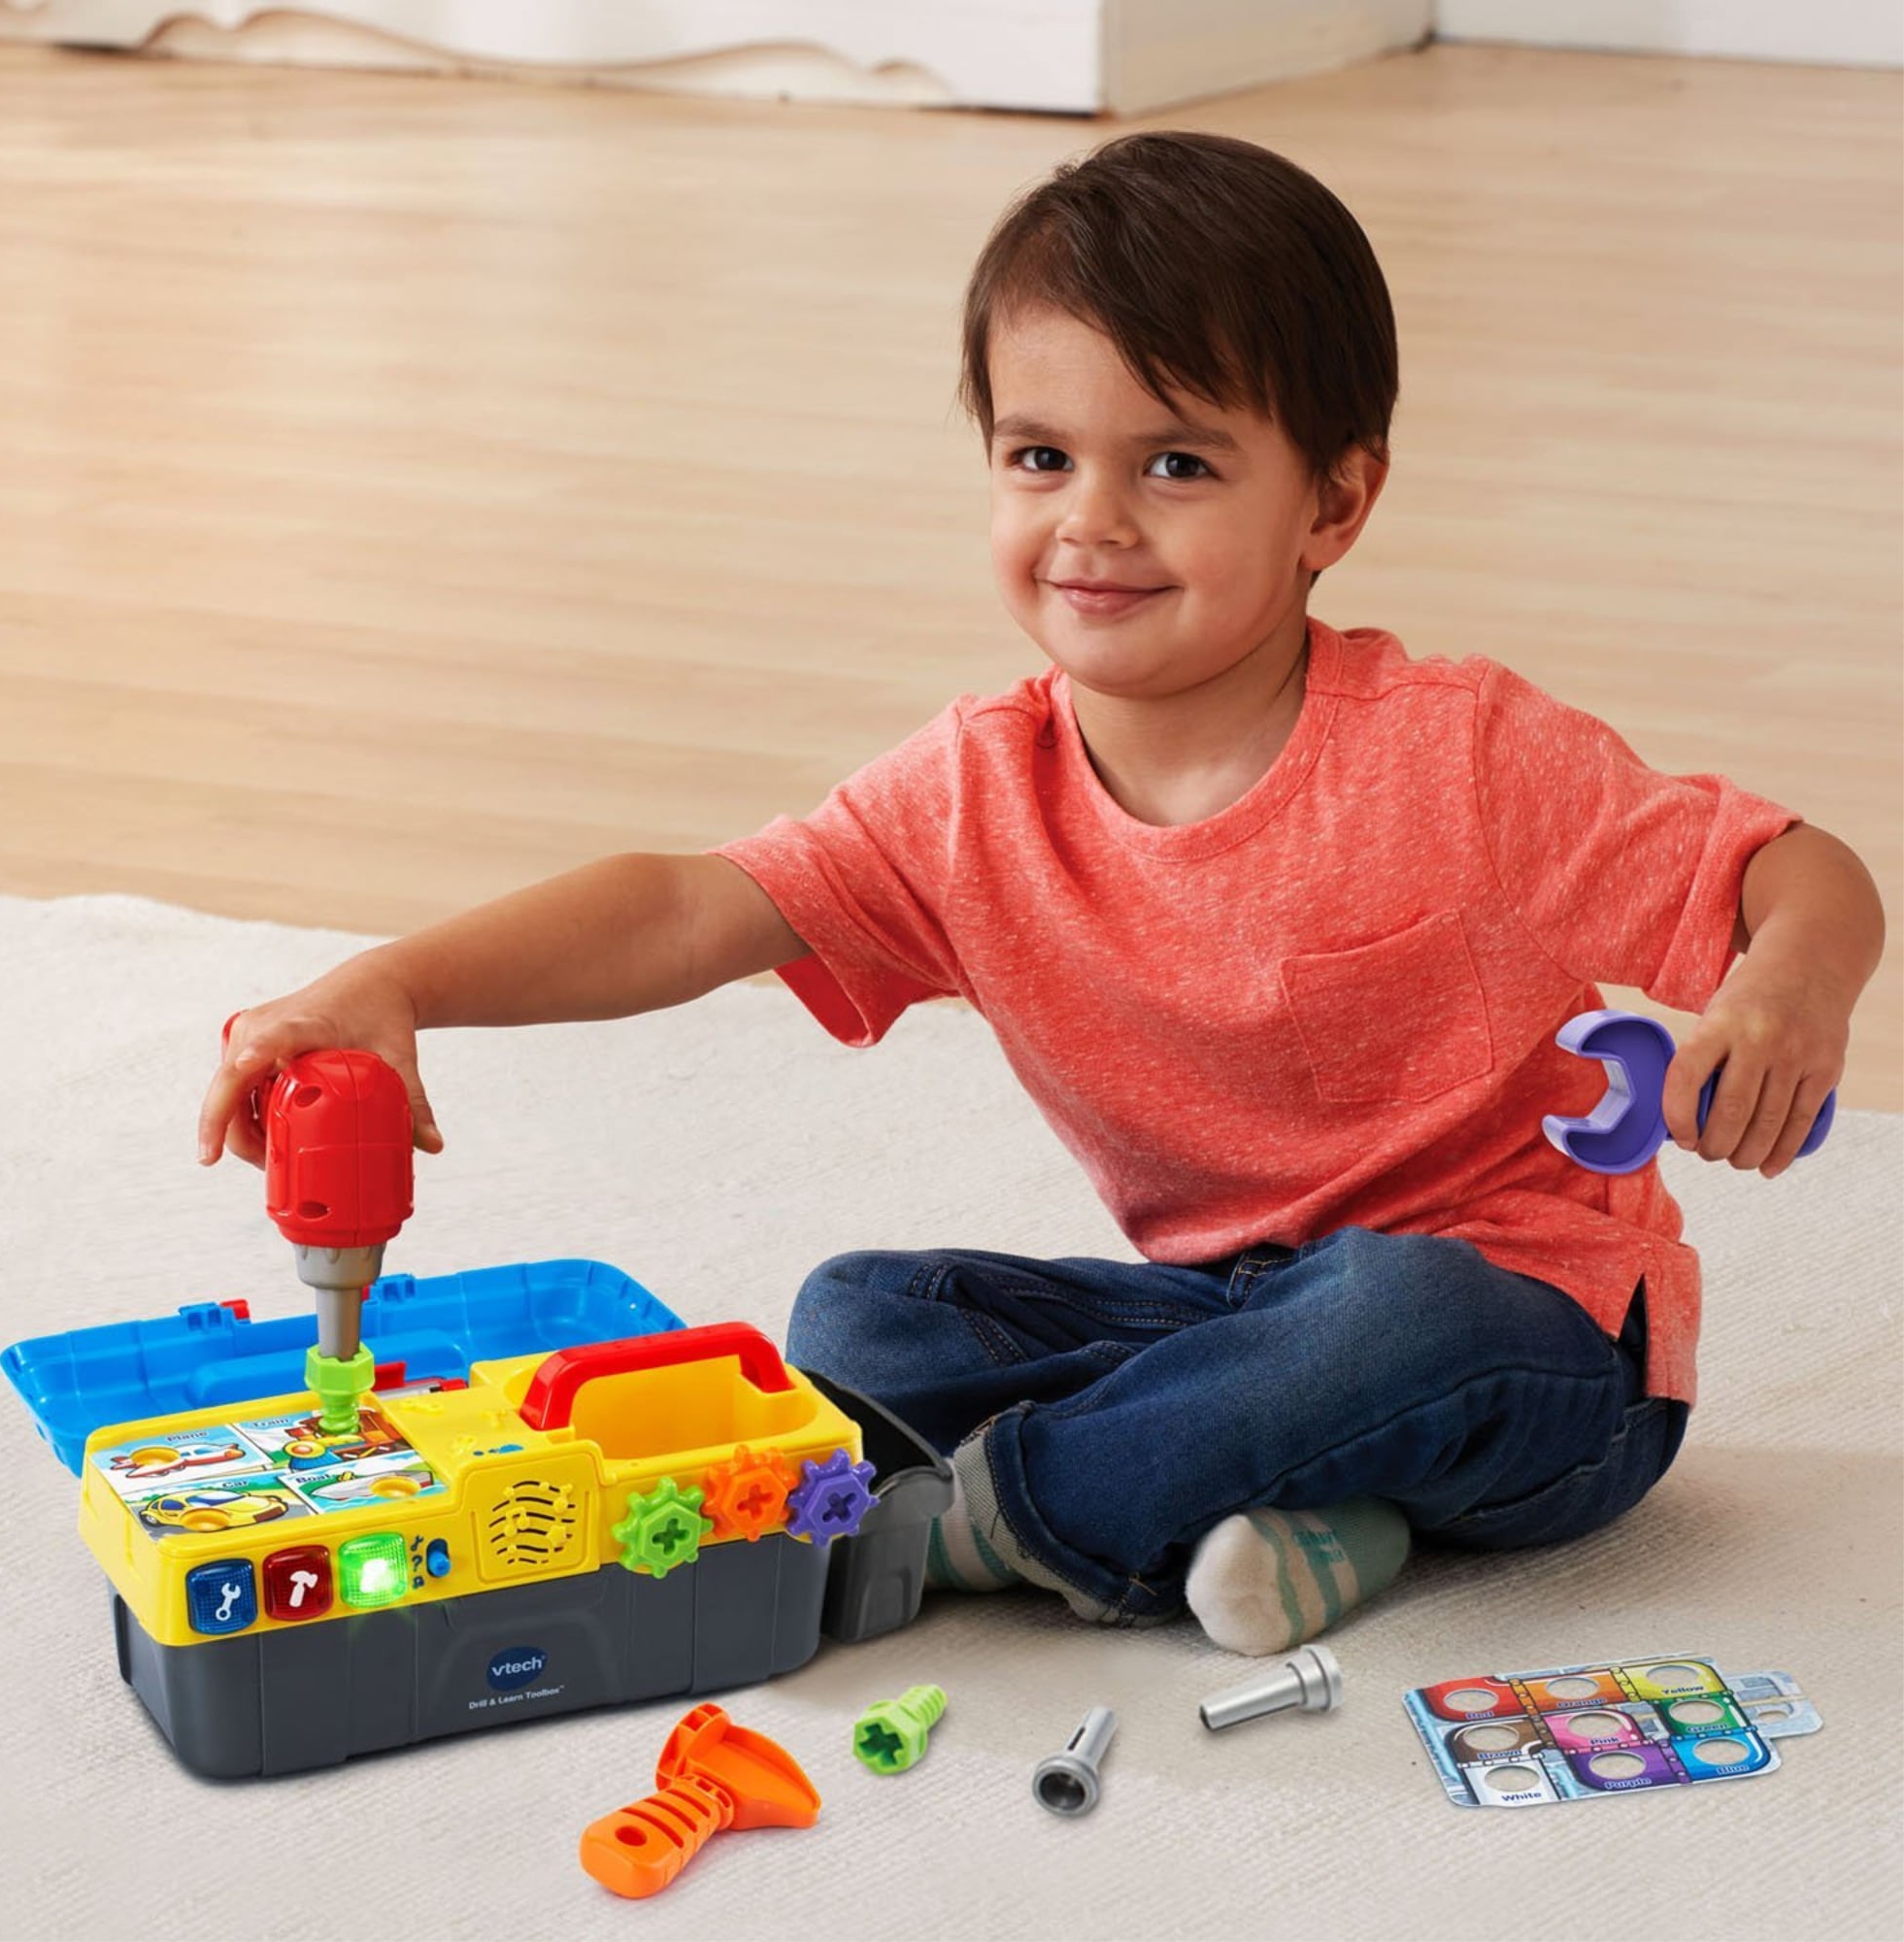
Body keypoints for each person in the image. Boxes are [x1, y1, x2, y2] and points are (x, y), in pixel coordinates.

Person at [198, 132, 1885, 1657]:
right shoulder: (972, 792)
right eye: (1036, 456)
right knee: (864, 1311)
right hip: (1231, 1314)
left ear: (1337, 502)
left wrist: (1787, 988)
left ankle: (993, 1526)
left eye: (1176, 467)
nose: (1092, 525)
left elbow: (1802, 873)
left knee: (1393, 1308)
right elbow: (690, 907)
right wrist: (395, 980)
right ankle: (1279, 1512)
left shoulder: (1463, 753)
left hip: (1534, 1352)